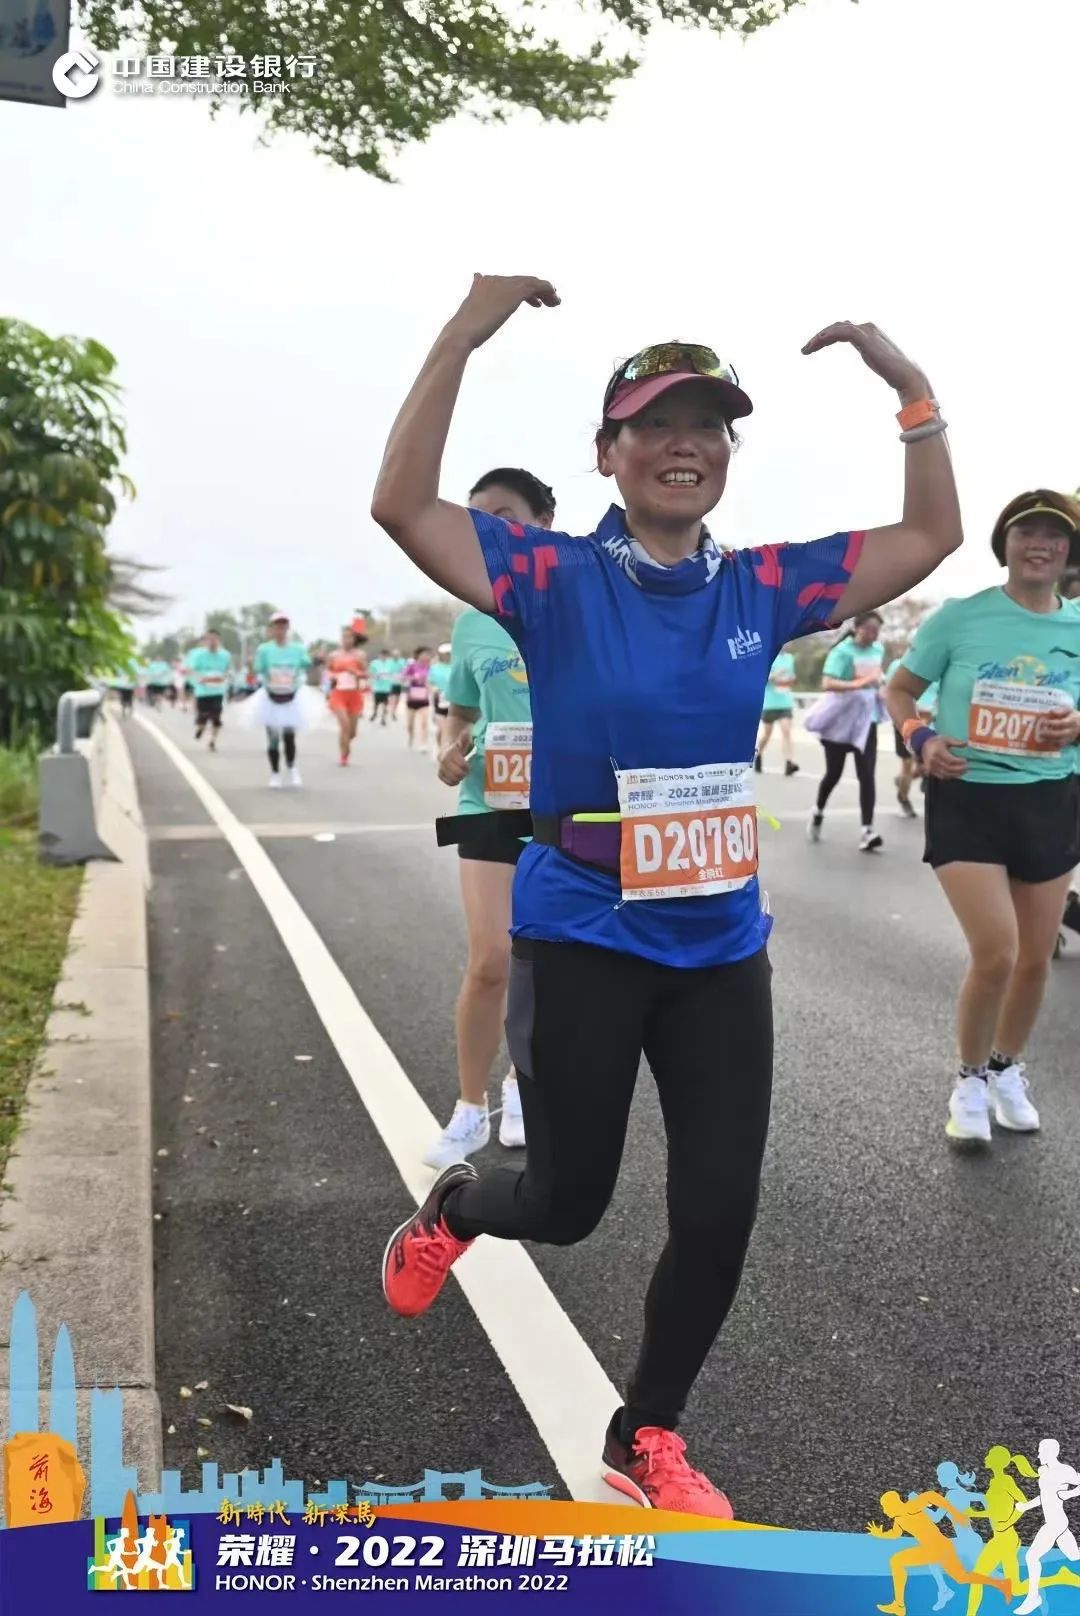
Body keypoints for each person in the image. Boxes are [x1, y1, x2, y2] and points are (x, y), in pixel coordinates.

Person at [370, 274, 962, 1514]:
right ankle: (463, 1206)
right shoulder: (551, 575)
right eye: (655, 423)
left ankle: (644, 1433)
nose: (685, 444)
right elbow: (400, 504)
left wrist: (912, 395)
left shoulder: (760, 587)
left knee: (719, 1212)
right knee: (569, 1202)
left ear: (728, 455)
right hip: (583, 930)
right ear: (610, 450)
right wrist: (462, 333)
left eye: (709, 425)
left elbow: (927, 541)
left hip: (718, 944)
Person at [886, 490, 1080, 1143]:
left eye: (1054, 536)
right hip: (968, 794)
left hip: (1050, 800)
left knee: (1032, 959)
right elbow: (900, 689)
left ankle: (1005, 1069)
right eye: (1026, 532)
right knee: (996, 951)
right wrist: (920, 739)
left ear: (1069, 551)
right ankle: (969, 1079)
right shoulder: (960, 618)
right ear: (1006, 543)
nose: (1040, 545)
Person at [426, 467, 557, 1170]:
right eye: (478, 521)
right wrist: (450, 753)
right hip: (490, 799)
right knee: (492, 960)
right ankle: (469, 1107)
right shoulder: (473, 614)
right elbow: (461, 714)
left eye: (504, 516)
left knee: (556, 965)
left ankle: (521, 1087)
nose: (490, 532)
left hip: (571, 802)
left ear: (544, 519)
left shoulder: (579, 599)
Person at [806, 612, 887, 850]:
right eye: (870, 629)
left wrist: (880, 685)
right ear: (857, 628)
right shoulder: (842, 652)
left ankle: (867, 831)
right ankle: (818, 810)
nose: (874, 635)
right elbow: (828, 684)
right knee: (834, 773)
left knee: (867, 775)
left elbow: (877, 677)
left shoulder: (878, 650)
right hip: (840, 722)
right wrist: (858, 683)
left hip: (866, 721)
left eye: (877, 631)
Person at [250, 611, 312, 788]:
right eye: (277, 626)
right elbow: (259, 669)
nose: (280, 630)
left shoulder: (298, 649)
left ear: (288, 628)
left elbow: (306, 664)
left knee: (289, 736)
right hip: (270, 696)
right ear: (272, 629)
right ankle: (275, 773)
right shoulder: (264, 649)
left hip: (291, 696)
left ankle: (292, 768)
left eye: (283, 626)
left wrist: (315, 660)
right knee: (273, 738)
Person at [325, 625, 369, 765]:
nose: (346, 640)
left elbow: (366, 674)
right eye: (344, 637)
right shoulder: (334, 655)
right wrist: (333, 676)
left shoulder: (360, 655)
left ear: (354, 639)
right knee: (344, 725)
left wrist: (356, 673)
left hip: (354, 694)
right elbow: (327, 672)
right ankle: (343, 756)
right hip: (339, 694)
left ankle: (345, 743)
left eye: (349, 637)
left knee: (352, 732)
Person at [186, 630, 233, 752]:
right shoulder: (198, 655)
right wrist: (200, 679)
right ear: (205, 641)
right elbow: (191, 670)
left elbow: (228, 670)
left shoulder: (225, 655)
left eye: (215, 639)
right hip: (202, 691)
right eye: (209, 639)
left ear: (219, 640)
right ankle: (201, 728)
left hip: (218, 691)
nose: (212, 641)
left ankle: (212, 741)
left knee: (216, 717)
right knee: (203, 716)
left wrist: (224, 677)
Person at [754, 647, 799, 775]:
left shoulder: (790, 658)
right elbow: (761, 678)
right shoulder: (768, 656)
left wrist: (790, 679)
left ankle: (789, 763)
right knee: (767, 735)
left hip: (785, 701)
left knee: (786, 732)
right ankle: (759, 755)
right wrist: (776, 675)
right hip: (770, 703)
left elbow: (791, 676)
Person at [403, 647, 432, 749]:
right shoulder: (412, 666)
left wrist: (427, 682)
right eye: (423, 654)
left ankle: (423, 743)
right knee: (410, 724)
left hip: (424, 698)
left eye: (427, 654)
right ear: (418, 656)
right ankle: (411, 736)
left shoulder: (430, 667)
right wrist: (414, 678)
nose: (426, 657)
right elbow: (404, 677)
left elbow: (433, 680)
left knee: (424, 721)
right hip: (412, 697)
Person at [428, 643, 453, 754]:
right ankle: (441, 748)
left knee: (452, 730)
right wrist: (433, 689)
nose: (448, 656)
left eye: (449, 654)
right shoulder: (435, 668)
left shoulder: (457, 667)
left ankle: (447, 751)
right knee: (442, 730)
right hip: (440, 701)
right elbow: (429, 682)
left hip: (455, 702)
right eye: (445, 654)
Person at [369, 648, 396, 725]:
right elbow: (371, 673)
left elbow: (392, 674)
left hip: (387, 687)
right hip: (377, 687)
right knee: (376, 703)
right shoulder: (374, 663)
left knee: (385, 703)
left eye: (385, 655)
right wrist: (376, 677)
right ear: (379, 655)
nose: (383, 657)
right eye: (382, 655)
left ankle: (383, 718)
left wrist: (389, 677)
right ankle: (375, 713)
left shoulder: (390, 663)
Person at [388, 648, 407, 721]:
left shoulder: (402, 661)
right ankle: (392, 711)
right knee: (392, 697)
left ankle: (394, 710)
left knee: (397, 698)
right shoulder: (389, 662)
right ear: (392, 655)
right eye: (394, 654)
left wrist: (403, 678)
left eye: (397, 655)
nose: (396, 656)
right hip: (390, 682)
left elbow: (405, 671)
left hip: (399, 683)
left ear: (399, 655)